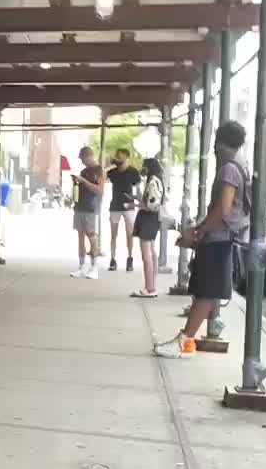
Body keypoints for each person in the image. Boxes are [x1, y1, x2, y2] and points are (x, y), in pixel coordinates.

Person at [155, 122, 251, 357]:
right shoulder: (242, 165)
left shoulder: (228, 169)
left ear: (219, 141)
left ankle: (184, 342)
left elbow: (224, 208)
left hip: (217, 237)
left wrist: (200, 231)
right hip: (223, 236)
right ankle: (185, 341)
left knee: (206, 292)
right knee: (206, 291)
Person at [131, 157, 166, 298]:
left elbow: (151, 205)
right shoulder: (158, 181)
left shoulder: (152, 182)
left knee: (147, 254)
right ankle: (151, 285)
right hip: (154, 219)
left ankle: (149, 288)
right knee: (152, 253)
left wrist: (136, 204)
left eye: (144, 166)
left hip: (148, 218)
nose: (142, 169)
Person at [70, 146, 104, 279]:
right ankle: (82, 266)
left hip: (91, 206)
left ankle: (94, 266)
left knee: (92, 236)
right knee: (80, 235)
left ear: (89, 156)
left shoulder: (99, 170)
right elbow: (80, 188)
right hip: (80, 205)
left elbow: (100, 191)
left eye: (83, 158)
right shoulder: (84, 171)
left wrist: (84, 181)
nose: (82, 162)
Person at [107, 148, 142, 272]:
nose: (117, 158)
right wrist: (113, 163)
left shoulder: (133, 172)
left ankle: (130, 258)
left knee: (130, 233)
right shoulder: (112, 172)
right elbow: (104, 174)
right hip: (115, 205)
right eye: (117, 155)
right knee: (113, 234)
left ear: (126, 157)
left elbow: (138, 189)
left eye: (120, 156)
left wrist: (140, 203)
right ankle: (113, 259)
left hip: (129, 206)